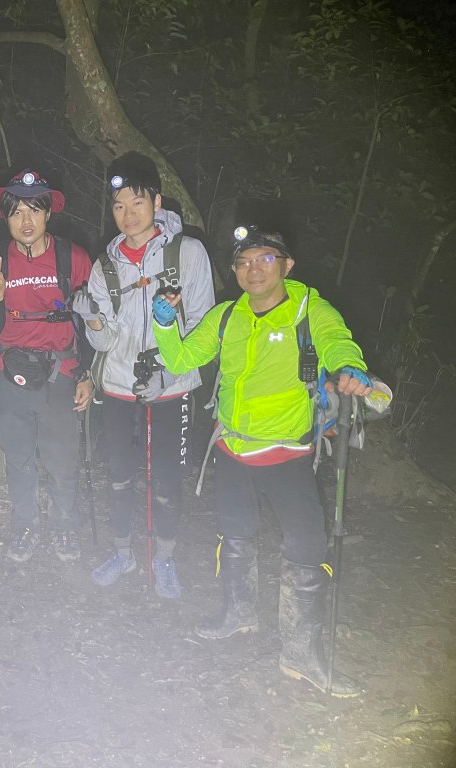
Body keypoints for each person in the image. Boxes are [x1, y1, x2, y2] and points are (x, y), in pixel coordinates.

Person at [152, 223, 372, 697]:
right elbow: (182, 359)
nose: (253, 269)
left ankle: (301, 655)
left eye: (264, 259)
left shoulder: (310, 309)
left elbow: (337, 341)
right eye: (244, 261)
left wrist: (348, 366)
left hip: (286, 450)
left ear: (286, 265)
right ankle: (238, 613)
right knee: (234, 531)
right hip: (231, 446)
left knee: (307, 545)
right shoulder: (227, 315)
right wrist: (165, 324)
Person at [69, 153, 215, 599]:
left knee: (167, 480)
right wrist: (93, 320)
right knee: (118, 475)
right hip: (118, 386)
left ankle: (164, 559)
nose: (128, 214)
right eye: (118, 206)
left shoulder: (187, 253)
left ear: (156, 201)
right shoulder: (106, 265)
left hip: (172, 388)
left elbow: (204, 327)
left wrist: (169, 375)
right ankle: (122, 553)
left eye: (137, 202)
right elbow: (106, 340)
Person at [0, 169, 94, 563]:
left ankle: (64, 526)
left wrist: (87, 374)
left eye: (34, 210)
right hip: (10, 375)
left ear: (48, 213)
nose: (25, 221)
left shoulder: (73, 258)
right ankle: (25, 525)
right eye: (16, 212)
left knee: (63, 459)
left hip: (61, 375)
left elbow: (91, 322)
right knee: (19, 457)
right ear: (5, 217)